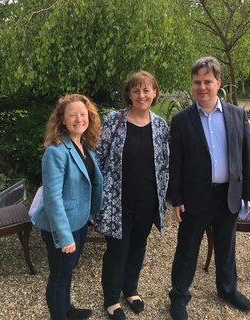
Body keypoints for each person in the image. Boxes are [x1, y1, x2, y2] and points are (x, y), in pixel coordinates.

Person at [168, 57, 250, 320]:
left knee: (226, 247)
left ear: (218, 83)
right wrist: (176, 198)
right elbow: (176, 164)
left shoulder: (237, 115)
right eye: (197, 82)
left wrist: (249, 194)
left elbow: (246, 157)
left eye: (208, 81)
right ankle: (179, 297)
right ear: (192, 85)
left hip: (228, 196)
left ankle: (227, 290)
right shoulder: (182, 120)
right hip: (195, 198)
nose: (202, 87)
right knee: (186, 249)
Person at [95, 71, 169, 320]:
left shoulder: (159, 125)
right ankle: (111, 299)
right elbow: (98, 158)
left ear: (155, 93)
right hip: (118, 200)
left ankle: (131, 289)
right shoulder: (115, 120)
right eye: (136, 90)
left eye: (147, 90)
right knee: (117, 249)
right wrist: (96, 199)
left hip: (148, 200)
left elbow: (164, 164)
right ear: (128, 94)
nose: (141, 95)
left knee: (138, 246)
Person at [33, 94, 103, 320]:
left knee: (67, 271)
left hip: (80, 221)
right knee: (58, 278)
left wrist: (91, 213)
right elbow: (52, 198)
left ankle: (66, 309)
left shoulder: (83, 145)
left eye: (83, 114)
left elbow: (87, 185)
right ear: (62, 119)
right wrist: (63, 236)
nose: (79, 119)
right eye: (72, 115)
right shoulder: (56, 151)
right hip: (63, 226)